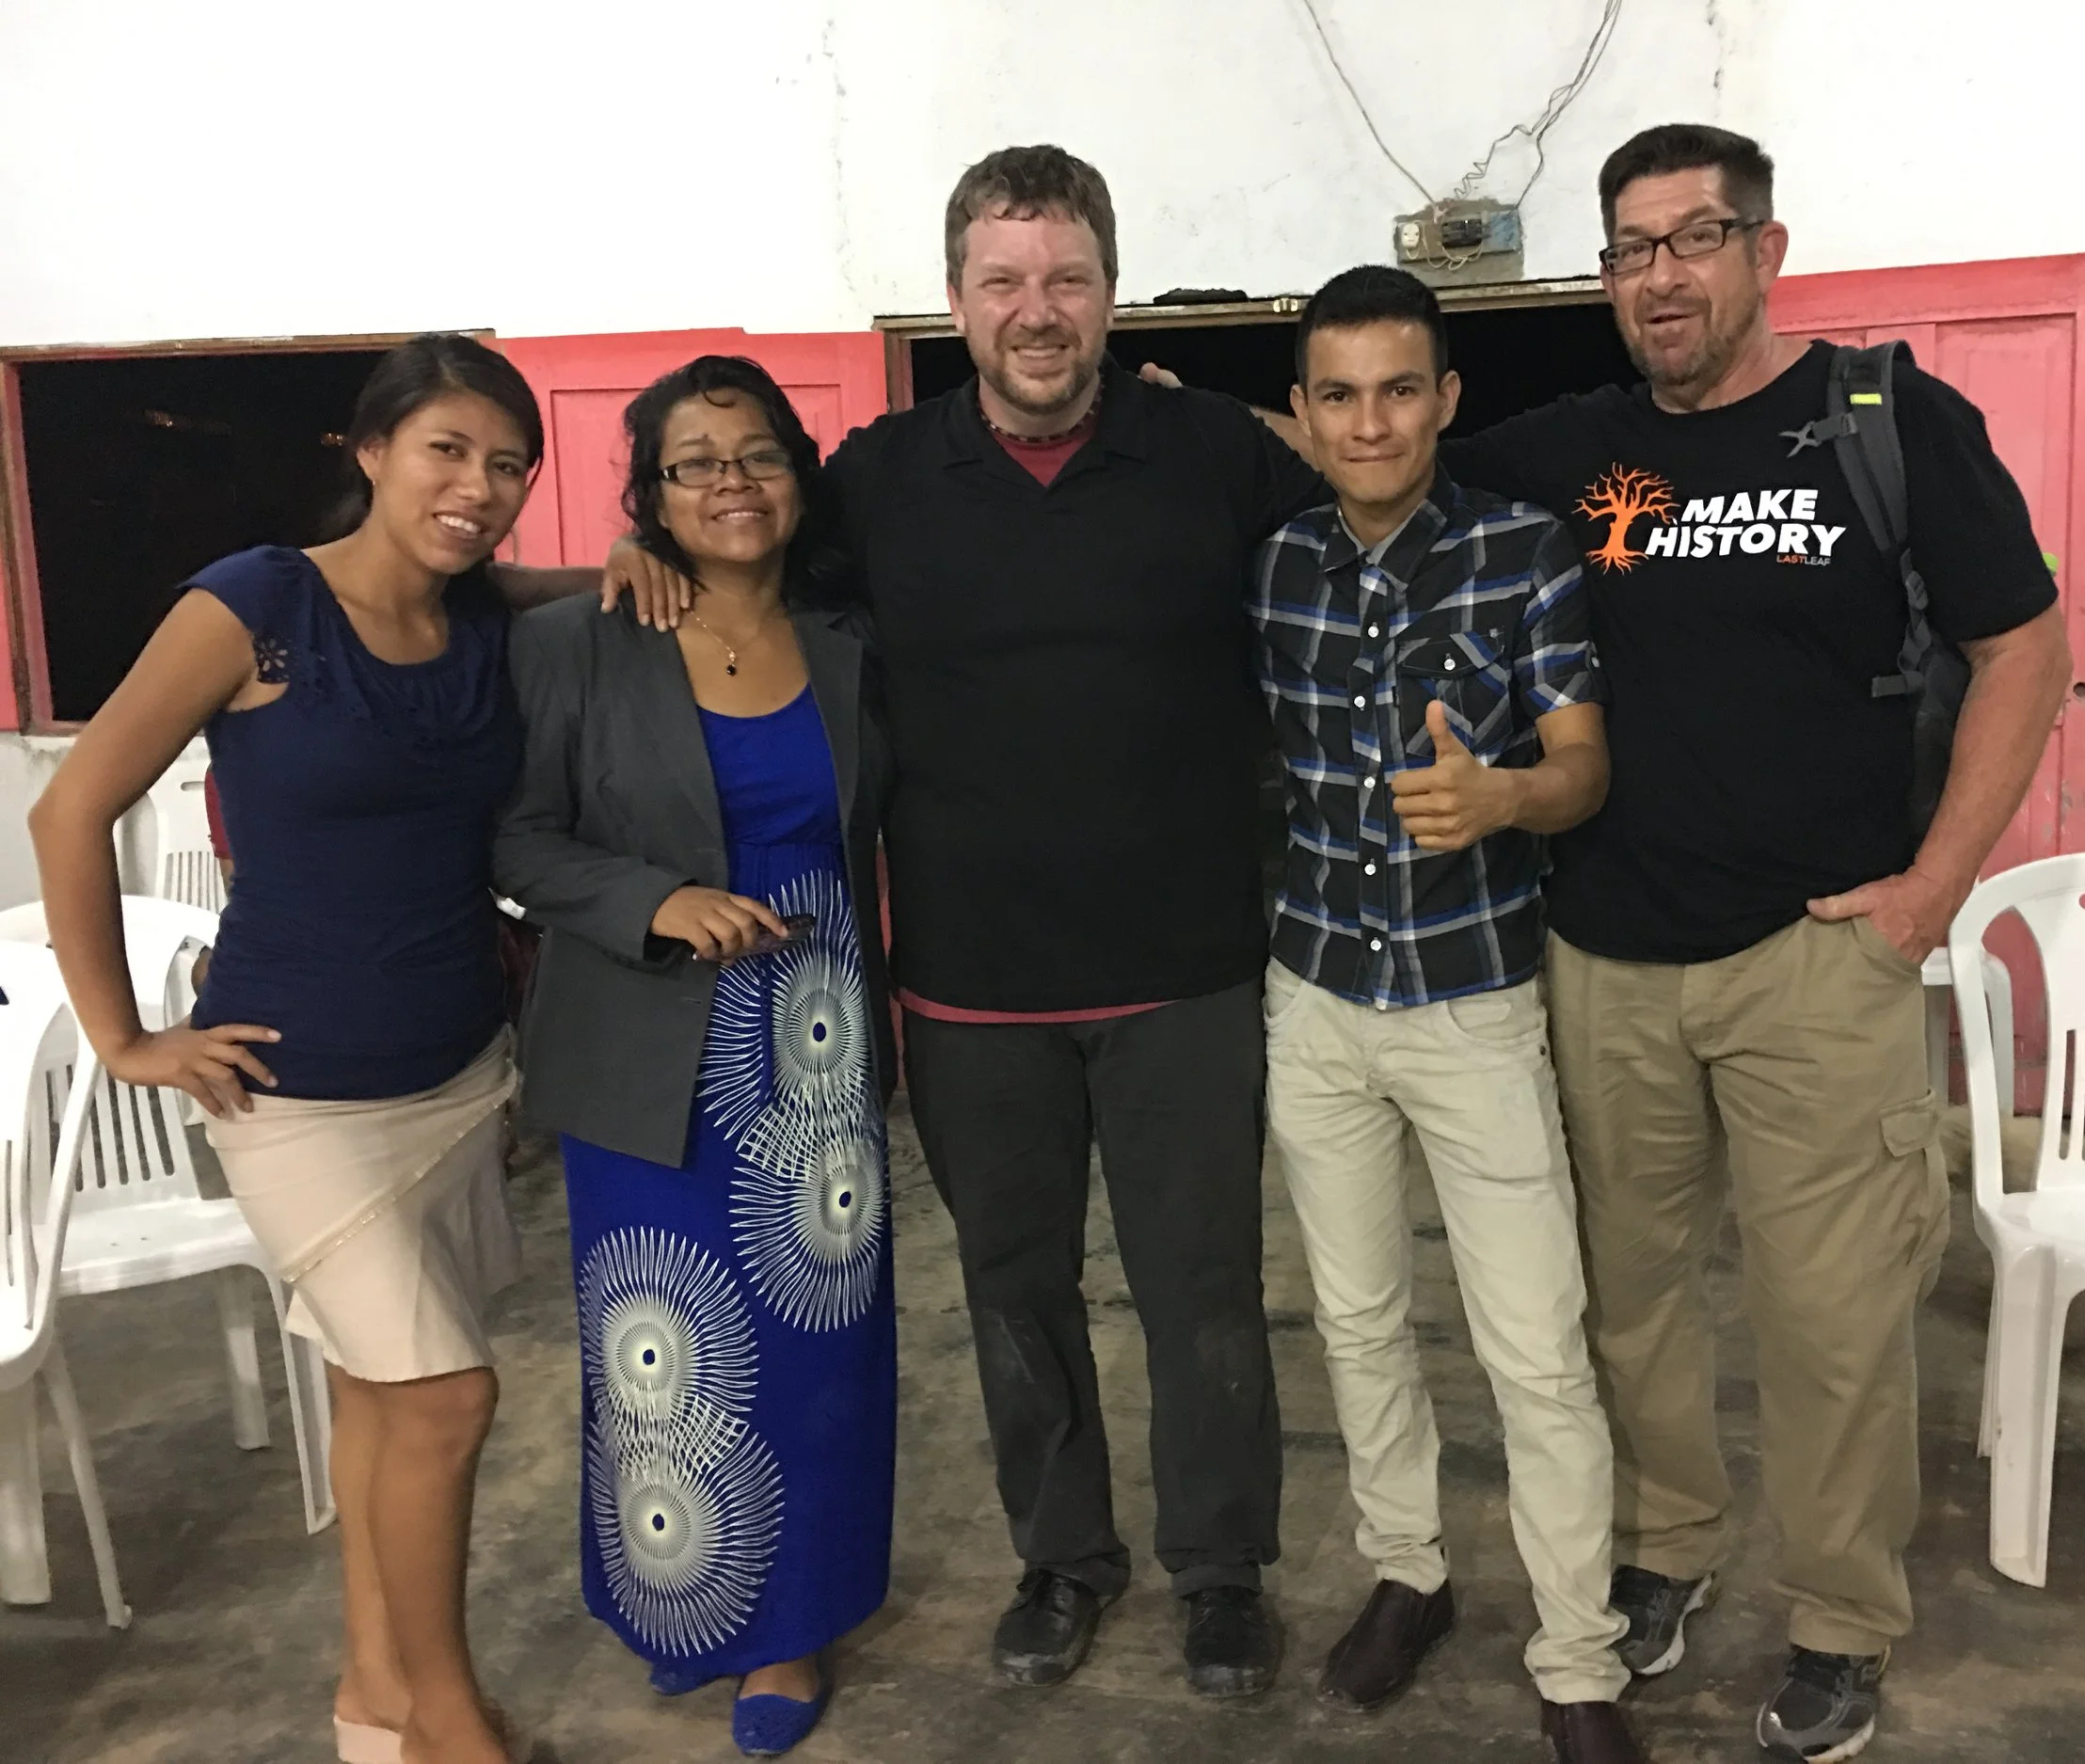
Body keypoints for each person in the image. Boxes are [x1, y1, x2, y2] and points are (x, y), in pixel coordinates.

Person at [603, 145, 1324, 1698]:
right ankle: (1062, 1559)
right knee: (1015, 1290)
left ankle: (1220, 1569)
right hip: (971, 987)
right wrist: (640, 543)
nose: (1037, 311)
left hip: (1188, 977)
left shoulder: (1216, 456)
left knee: (1203, 1287)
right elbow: (742, 563)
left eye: (1065, 277)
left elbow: (1378, 515)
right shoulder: (878, 480)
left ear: (1111, 288)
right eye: (1003, 281)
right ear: (955, 301)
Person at [1424, 126, 2072, 1761]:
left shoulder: (1887, 422)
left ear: (1766, 253)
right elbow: (1373, 461)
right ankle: (1667, 1551)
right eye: (1631, 247)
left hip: (1819, 955)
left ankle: (1845, 1620)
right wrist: (1189, 417)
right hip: (1607, 962)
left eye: (1695, 238)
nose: (1661, 275)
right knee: (1630, 1303)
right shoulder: (1567, 453)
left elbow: (2023, 645)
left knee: (1834, 1318)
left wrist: (1934, 888)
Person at [31, 334, 550, 1764]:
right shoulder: (257, 606)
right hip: (296, 1091)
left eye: (509, 464)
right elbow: (68, 810)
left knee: (383, 1397)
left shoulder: (488, 622)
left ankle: (374, 1700)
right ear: (370, 450)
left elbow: (576, 597)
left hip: (454, 1077)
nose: (479, 486)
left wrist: (642, 564)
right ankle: (453, 1724)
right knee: (446, 1395)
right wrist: (123, 1034)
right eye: (449, 448)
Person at [1252, 264, 1642, 1764]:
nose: (1372, 420)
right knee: (1356, 1319)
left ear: (1446, 398)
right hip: (1318, 997)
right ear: (1301, 414)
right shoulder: (1276, 564)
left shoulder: (1521, 550)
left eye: (1400, 388)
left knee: (1536, 1342)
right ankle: (1408, 1570)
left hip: (1475, 1000)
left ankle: (1577, 1654)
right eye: (1338, 394)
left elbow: (1584, 765)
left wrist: (1503, 799)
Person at [494, 356, 894, 1758]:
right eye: (694, 462)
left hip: (818, 1042)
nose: (733, 483)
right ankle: (683, 1599)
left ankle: (790, 1622)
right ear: (649, 492)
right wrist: (650, 904)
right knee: (661, 1344)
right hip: (649, 1041)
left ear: (801, 470)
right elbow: (519, 839)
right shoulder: (580, 640)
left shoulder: (849, 630)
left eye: (759, 453)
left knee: (816, 1346)